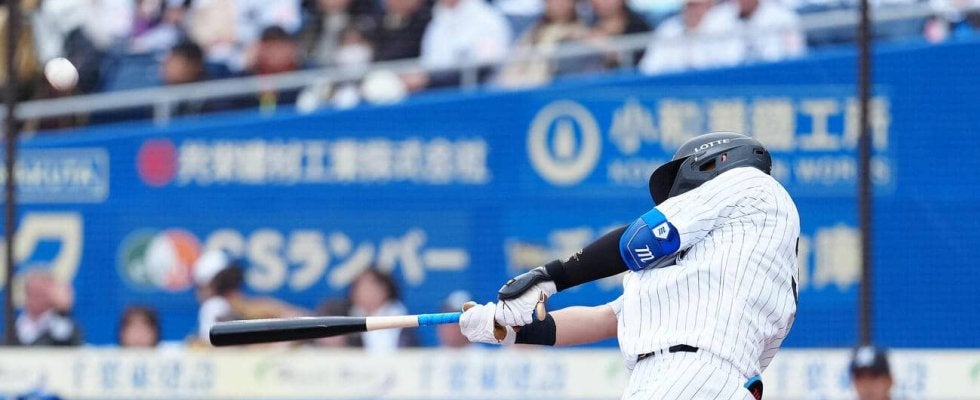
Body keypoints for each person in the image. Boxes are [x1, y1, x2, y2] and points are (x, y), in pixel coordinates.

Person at [461, 132, 800, 399]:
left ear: (715, 162)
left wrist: (547, 277)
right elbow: (605, 319)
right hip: (684, 379)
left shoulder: (751, 184)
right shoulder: (713, 265)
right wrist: (508, 330)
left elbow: (639, 238)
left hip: (692, 371)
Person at [192, 250, 307, 345]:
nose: (198, 294)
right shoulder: (215, 308)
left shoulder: (216, 306)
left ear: (212, 286)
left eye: (200, 287)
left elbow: (302, 322)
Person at [496, 0, 593, 88]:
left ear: (573, 3)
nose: (557, 4)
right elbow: (512, 68)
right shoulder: (533, 31)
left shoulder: (581, 31)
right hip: (519, 90)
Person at [638, 0, 743, 75]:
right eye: (689, 6)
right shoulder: (669, 29)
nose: (693, 11)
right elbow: (649, 68)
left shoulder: (725, 26)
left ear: (709, 6)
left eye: (698, 6)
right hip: (675, 91)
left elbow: (732, 63)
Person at [347, 268, 420, 352]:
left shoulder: (399, 316)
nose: (364, 292)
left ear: (385, 290)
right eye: (360, 287)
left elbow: (409, 350)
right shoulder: (347, 316)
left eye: (370, 287)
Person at [712, 0, 805, 63]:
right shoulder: (718, 19)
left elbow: (795, 52)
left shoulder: (782, 16)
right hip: (732, 79)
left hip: (776, 73)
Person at [13, 269, 84, 346]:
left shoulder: (63, 325)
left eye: (40, 294)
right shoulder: (15, 325)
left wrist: (63, 312)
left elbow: (67, 340)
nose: (34, 299)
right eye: (31, 293)